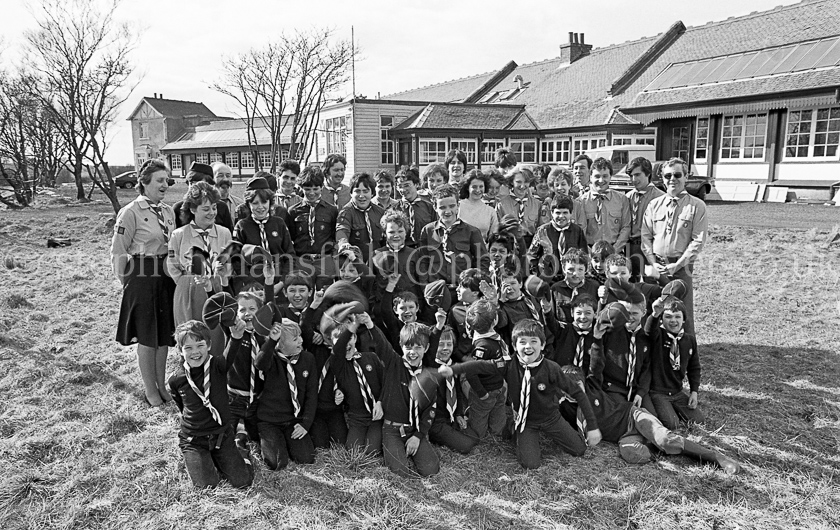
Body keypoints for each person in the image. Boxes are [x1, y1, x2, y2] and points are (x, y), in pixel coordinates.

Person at [565, 305, 738, 473]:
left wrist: (597, 337)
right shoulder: (566, 406)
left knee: (665, 439)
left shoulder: (593, 386)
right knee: (634, 455)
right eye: (568, 388)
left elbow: (597, 362)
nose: (574, 391)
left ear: (584, 383)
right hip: (623, 436)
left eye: (577, 386)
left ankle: (715, 457)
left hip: (633, 417)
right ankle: (653, 443)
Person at [439, 318, 602, 470]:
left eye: (534, 341)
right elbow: (480, 365)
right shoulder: (508, 364)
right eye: (522, 342)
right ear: (515, 346)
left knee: (579, 449)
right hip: (526, 421)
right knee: (530, 464)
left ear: (542, 345)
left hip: (551, 418)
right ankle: (514, 429)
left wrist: (593, 427)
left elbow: (578, 393)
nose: (528, 346)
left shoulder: (552, 368)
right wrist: (453, 369)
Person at [111, 159, 177, 407]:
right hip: (141, 274)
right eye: (159, 180)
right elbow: (118, 251)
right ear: (144, 182)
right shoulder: (130, 212)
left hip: (165, 275)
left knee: (164, 335)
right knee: (148, 336)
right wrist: (127, 283)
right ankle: (150, 390)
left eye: (166, 180)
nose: (165, 185)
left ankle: (162, 385)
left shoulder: (168, 211)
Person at [347, 315, 440, 478]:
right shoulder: (393, 363)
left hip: (414, 429)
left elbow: (430, 411)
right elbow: (382, 344)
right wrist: (369, 323)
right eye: (408, 347)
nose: (413, 352)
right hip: (392, 430)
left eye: (418, 347)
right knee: (400, 473)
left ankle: (412, 447)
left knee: (431, 470)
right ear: (401, 346)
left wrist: (418, 436)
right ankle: (394, 451)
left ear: (426, 348)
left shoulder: (429, 377)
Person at [168, 320, 254, 488]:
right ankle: (200, 458)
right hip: (194, 440)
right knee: (207, 486)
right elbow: (181, 405)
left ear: (209, 345)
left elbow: (231, 352)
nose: (195, 352)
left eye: (200, 345)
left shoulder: (218, 366)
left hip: (222, 435)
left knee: (243, 482)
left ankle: (239, 448)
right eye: (188, 348)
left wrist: (236, 337)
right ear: (180, 350)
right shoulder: (176, 379)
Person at [641, 157, 706, 336]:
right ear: (662, 179)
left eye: (677, 175)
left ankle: (685, 349)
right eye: (667, 175)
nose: (672, 179)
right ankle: (654, 348)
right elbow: (645, 236)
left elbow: (698, 240)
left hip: (681, 267)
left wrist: (677, 265)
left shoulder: (697, 206)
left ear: (686, 177)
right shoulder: (654, 205)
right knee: (654, 309)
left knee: (682, 311)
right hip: (656, 267)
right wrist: (652, 262)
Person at [167, 182, 233, 357]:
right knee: (192, 333)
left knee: (217, 333)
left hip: (216, 286)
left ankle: (217, 368)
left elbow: (229, 263)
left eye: (214, 207)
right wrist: (187, 282)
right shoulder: (179, 234)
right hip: (190, 288)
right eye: (206, 209)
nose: (212, 212)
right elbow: (173, 265)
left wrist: (219, 277)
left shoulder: (224, 233)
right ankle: (191, 369)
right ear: (193, 209)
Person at [256, 319, 318, 470]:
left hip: (293, 420)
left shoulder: (308, 359)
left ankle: (286, 443)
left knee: (306, 458)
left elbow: (311, 395)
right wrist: (271, 341)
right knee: (277, 463)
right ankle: (268, 440)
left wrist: (305, 424)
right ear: (281, 345)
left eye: (300, 336)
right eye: (295, 339)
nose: (301, 341)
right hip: (270, 421)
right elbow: (259, 363)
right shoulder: (271, 359)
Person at [644, 296, 704, 429]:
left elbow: (694, 368)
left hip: (677, 391)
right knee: (672, 424)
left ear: (684, 319)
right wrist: (655, 314)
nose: (673, 320)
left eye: (677, 317)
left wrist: (694, 391)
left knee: (698, 420)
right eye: (668, 317)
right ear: (661, 319)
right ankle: (667, 411)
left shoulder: (689, 340)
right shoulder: (658, 335)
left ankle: (673, 409)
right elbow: (648, 331)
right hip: (658, 392)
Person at [330, 317, 385, 454]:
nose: (345, 344)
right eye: (340, 341)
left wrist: (380, 402)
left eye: (349, 338)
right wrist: (338, 391)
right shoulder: (339, 365)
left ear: (355, 338)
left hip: (377, 415)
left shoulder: (371, 357)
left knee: (372, 451)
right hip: (357, 419)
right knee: (353, 450)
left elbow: (385, 382)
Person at [424, 320, 479, 454]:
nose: (445, 348)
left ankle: (451, 431)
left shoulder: (452, 366)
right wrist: (438, 327)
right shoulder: (429, 365)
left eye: (449, 344)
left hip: (450, 417)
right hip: (435, 421)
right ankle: (436, 437)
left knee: (475, 438)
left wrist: (459, 414)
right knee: (466, 446)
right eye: (441, 344)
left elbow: (457, 390)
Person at [417, 184, 490, 285]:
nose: (447, 211)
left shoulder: (471, 232)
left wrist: (476, 285)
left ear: (458, 205)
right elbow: (423, 261)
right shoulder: (428, 231)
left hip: (462, 287)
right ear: (435, 207)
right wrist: (425, 286)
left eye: (452, 206)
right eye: (442, 207)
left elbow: (482, 261)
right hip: (436, 287)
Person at [232, 175, 294, 281]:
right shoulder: (242, 226)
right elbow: (236, 259)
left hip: (279, 278)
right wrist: (250, 283)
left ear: (270, 202)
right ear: (248, 204)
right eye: (255, 203)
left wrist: (283, 281)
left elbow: (290, 255)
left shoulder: (279, 223)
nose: (260, 207)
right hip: (254, 280)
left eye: (264, 202)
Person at [287, 165, 338, 288]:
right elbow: (291, 237)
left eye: (315, 189)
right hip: (302, 260)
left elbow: (333, 236)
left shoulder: (331, 210)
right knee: (304, 292)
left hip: (324, 260)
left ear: (322, 188)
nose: (311, 193)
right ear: (301, 188)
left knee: (325, 293)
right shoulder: (293, 211)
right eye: (307, 189)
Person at [464, 299, 509, 439]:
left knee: (498, 410)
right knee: (479, 416)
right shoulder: (483, 346)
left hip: (498, 386)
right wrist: (481, 393)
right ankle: (478, 434)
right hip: (485, 390)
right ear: (494, 321)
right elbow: (471, 372)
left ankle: (497, 431)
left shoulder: (490, 338)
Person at [527, 195, 588, 279]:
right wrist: (538, 273)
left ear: (571, 213)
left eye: (565, 213)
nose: (561, 216)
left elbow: (584, 255)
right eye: (558, 213)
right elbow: (531, 255)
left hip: (571, 276)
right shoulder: (542, 231)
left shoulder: (577, 231)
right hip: (548, 276)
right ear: (552, 213)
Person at [579, 158, 631, 252]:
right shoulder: (581, 202)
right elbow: (580, 231)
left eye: (605, 176)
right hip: (590, 252)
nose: (601, 180)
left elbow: (626, 227)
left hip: (614, 251)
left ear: (610, 177)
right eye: (597, 176)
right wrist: (591, 253)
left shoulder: (622, 200)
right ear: (590, 177)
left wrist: (614, 250)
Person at [625, 157, 665, 282]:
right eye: (631, 176)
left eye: (637, 175)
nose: (633, 179)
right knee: (632, 282)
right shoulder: (628, 197)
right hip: (630, 247)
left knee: (651, 282)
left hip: (650, 247)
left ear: (648, 173)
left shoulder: (660, 198)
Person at [336, 172, 386, 264]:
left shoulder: (380, 212)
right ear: (351, 193)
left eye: (365, 191)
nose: (361, 196)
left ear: (372, 193)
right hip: (356, 263)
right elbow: (342, 230)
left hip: (378, 262)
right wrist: (344, 244)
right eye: (357, 191)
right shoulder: (346, 212)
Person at [173, 162, 233, 234]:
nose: (193, 187)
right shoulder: (178, 208)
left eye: (198, 183)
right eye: (191, 183)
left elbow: (229, 234)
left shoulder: (221, 207)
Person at [551, 248, 599, 323]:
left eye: (580, 269)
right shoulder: (556, 289)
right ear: (563, 268)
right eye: (571, 269)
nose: (575, 274)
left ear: (586, 269)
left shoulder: (594, 287)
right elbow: (551, 318)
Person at [496, 168, 542, 243]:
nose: (522, 186)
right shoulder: (502, 204)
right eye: (518, 182)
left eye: (526, 182)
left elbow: (541, 230)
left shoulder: (537, 204)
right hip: (508, 243)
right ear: (512, 182)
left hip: (530, 243)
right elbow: (497, 230)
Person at [393, 168, 437, 246]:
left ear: (416, 184)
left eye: (407, 185)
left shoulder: (429, 207)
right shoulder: (394, 209)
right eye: (400, 186)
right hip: (403, 249)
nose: (403, 190)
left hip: (424, 248)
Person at [458, 169, 499, 240]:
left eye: (481, 186)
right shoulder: (458, 207)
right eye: (474, 187)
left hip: (482, 246)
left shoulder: (490, 211)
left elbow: (493, 238)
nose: (478, 190)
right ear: (467, 187)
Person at [213, 162, 242, 227]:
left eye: (228, 176)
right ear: (212, 179)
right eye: (220, 176)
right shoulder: (208, 204)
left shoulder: (239, 204)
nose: (225, 179)